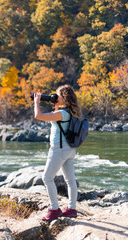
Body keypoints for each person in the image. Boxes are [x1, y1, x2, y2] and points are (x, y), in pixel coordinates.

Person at [33, 84, 82, 222]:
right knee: (70, 180)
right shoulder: (70, 112)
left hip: (59, 149)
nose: (55, 96)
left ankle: (54, 209)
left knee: (47, 178)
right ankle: (72, 209)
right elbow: (56, 123)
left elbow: (38, 115)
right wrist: (55, 105)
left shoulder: (62, 114)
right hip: (70, 149)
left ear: (64, 97)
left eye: (57, 95)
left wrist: (37, 101)